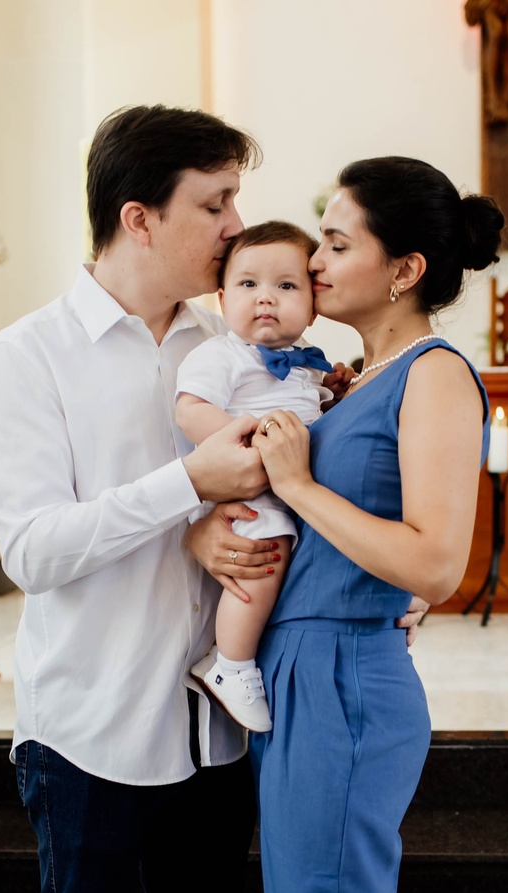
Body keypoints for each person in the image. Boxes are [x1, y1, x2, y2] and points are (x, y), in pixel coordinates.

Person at [0, 104, 300, 893]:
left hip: (205, 710)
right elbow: (33, 548)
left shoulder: (228, 344)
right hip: (88, 719)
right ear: (141, 216)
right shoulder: (30, 354)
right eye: (215, 204)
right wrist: (186, 488)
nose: (234, 226)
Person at [235, 156, 503, 893]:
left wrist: (298, 484)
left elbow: (437, 560)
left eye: (339, 241)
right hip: (302, 672)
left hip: (347, 681)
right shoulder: (358, 377)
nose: (315, 258)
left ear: (405, 269)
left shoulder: (436, 374)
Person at [176, 220, 334, 732]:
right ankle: (231, 663)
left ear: (313, 305)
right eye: (248, 284)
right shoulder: (221, 354)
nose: (266, 297)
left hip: (290, 488)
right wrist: (247, 444)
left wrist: (337, 390)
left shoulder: (306, 364)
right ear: (222, 299)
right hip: (248, 490)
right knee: (267, 554)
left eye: (286, 285)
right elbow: (190, 410)